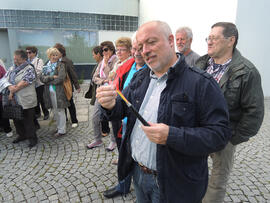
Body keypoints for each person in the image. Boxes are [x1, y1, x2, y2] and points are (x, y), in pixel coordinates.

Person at [97, 20, 231, 203]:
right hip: (138, 173)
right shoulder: (140, 77)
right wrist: (110, 104)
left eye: (151, 42)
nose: (144, 50)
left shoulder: (201, 83)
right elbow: (122, 108)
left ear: (170, 41)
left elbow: (220, 134)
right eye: (141, 46)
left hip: (176, 183)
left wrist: (171, 135)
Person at [195, 22, 264, 203]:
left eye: (214, 38)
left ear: (230, 41)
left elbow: (255, 113)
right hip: (196, 132)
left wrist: (232, 138)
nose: (209, 42)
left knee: (217, 183)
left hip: (224, 136)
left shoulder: (247, 72)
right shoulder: (200, 64)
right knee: (193, 172)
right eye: (208, 38)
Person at [103, 33, 147, 199]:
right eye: (135, 49)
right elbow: (115, 81)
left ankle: (138, 188)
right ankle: (124, 185)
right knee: (124, 154)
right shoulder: (129, 65)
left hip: (138, 121)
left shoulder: (150, 71)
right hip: (122, 115)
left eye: (139, 49)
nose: (136, 52)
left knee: (133, 155)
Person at [1, 49, 38, 148]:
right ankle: (22, 135)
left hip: (26, 99)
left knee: (28, 120)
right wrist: (9, 87)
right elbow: (4, 79)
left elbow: (26, 81)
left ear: (24, 59)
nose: (15, 61)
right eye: (14, 59)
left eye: (17, 59)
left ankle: (32, 138)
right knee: (16, 119)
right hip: (14, 100)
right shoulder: (12, 68)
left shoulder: (29, 68)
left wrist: (12, 90)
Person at [86, 41, 117, 150]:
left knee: (114, 118)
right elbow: (95, 77)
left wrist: (104, 79)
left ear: (111, 50)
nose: (103, 52)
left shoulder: (116, 60)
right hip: (101, 91)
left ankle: (113, 141)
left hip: (111, 93)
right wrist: (103, 81)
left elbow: (113, 77)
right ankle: (97, 140)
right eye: (102, 50)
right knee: (95, 117)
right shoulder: (102, 62)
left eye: (106, 50)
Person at [107, 37, 132, 151]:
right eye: (117, 50)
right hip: (114, 98)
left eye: (122, 50)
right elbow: (110, 77)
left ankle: (123, 155)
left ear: (129, 51)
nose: (119, 52)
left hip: (122, 101)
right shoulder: (118, 64)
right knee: (116, 129)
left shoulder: (131, 65)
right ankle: (120, 152)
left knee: (122, 132)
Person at [40, 48, 70, 137]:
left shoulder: (61, 65)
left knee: (60, 110)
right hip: (48, 91)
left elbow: (61, 78)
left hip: (58, 91)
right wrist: (52, 77)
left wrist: (48, 80)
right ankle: (58, 127)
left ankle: (62, 130)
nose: (55, 57)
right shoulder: (46, 65)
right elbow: (42, 78)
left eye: (56, 55)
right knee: (54, 110)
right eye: (53, 55)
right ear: (49, 55)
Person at [54, 43, 80, 128]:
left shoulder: (67, 61)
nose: (54, 55)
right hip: (58, 87)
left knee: (70, 103)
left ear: (61, 53)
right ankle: (64, 119)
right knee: (61, 104)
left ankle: (74, 120)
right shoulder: (54, 61)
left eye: (56, 53)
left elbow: (73, 74)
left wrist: (77, 86)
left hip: (67, 86)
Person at [89, 46, 110, 136]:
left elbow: (109, 77)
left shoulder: (107, 63)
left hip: (105, 90)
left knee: (102, 112)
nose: (93, 56)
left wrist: (101, 80)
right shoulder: (100, 64)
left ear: (98, 54)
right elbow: (94, 77)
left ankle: (105, 130)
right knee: (101, 112)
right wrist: (102, 80)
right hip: (100, 89)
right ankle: (103, 130)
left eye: (94, 55)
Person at [26, 46, 49, 120]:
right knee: (34, 99)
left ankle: (46, 113)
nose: (28, 54)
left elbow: (39, 72)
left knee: (41, 99)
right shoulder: (26, 61)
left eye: (29, 52)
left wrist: (30, 77)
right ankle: (38, 113)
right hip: (30, 85)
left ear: (34, 53)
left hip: (39, 83)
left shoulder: (39, 60)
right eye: (27, 52)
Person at [0, 63, 13, 137]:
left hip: (1, 94)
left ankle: (7, 129)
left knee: (3, 112)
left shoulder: (0, 68)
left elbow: (5, 78)